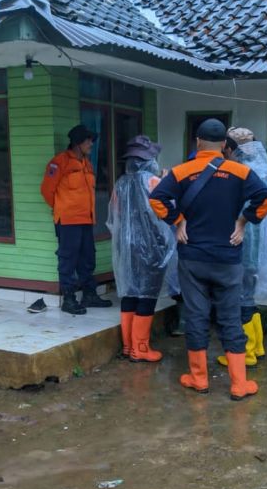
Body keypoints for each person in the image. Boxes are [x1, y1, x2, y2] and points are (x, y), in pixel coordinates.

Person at [149, 118, 267, 401]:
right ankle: (239, 384)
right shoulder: (240, 171)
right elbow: (266, 199)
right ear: (224, 146)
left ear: (197, 142)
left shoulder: (182, 171)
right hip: (228, 259)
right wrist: (243, 222)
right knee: (230, 318)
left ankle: (198, 378)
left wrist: (177, 220)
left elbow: (157, 198)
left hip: (192, 257)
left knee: (196, 315)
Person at [216, 127, 267, 367]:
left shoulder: (241, 172)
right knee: (249, 295)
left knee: (240, 297)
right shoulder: (266, 172)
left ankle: (246, 352)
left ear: (232, 149)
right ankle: (257, 346)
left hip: (243, 241)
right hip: (260, 244)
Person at [106, 135, 176, 362]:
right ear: (148, 160)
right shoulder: (153, 182)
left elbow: (115, 216)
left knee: (129, 292)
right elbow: (168, 211)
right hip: (151, 247)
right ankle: (141, 349)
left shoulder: (120, 184)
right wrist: (167, 183)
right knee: (146, 295)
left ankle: (128, 347)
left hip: (125, 247)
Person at [41, 124, 112, 315]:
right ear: (77, 142)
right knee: (68, 259)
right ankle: (69, 299)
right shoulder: (59, 162)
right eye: (88, 140)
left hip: (86, 220)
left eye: (91, 140)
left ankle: (89, 295)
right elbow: (47, 190)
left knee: (87, 258)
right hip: (68, 221)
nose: (91, 144)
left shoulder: (86, 163)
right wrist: (60, 209)